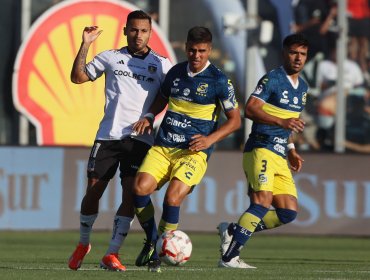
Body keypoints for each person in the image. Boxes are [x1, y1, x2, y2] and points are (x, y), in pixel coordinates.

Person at [67, 10, 172, 271]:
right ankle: (83, 243)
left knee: (130, 195)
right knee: (94, 191)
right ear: (126, 31)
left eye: (144, 31)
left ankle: (112, 253)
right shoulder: (110, 57)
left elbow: (167, 94)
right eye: (134, 30)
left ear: (150, 33)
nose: (139, 35)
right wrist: (85, 45)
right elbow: (78, 77)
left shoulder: (162, 64)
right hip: (108, 136)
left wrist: (149, 116)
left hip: (140, 140)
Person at [131, 26, 241, 272]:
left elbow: (235, 121)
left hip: (193, 152)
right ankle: (152, 240)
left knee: (172, 196)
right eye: (192, 50)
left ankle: (159, 253)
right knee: (139, 189)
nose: (196, 55)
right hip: (164, 146)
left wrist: (210, 140)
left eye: (202, 51)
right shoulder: (176, 72)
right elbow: (163, 97)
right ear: (185, 47)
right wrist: (149, 116)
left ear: (210, 50)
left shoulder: (219, 80)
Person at [217, 33, 309, 269]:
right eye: (293, 53)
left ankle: (232, 230)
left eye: (302, 54)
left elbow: (292, 122)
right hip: (261, 147)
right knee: (261, 202)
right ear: (284, 53)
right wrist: (281, 122)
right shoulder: (272, 79)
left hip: (279, 153)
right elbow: (250, 109)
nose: (298, 58)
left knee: (287, 212)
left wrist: (291, 148)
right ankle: (229, 258)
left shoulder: (303, 87)